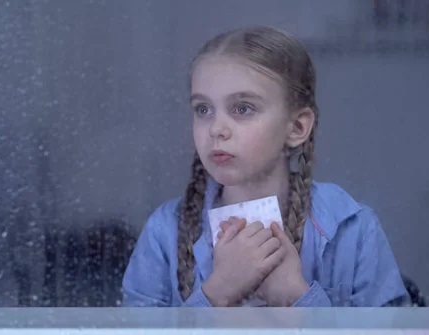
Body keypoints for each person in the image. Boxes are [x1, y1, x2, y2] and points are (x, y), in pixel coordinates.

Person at [121, 26, 408, 307]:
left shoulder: (352, 228)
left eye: (243, 108)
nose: (216, 129)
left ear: (296, 127)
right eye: (203, 109)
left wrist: (298, 298)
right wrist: (217, 293)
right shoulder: (164, 233)